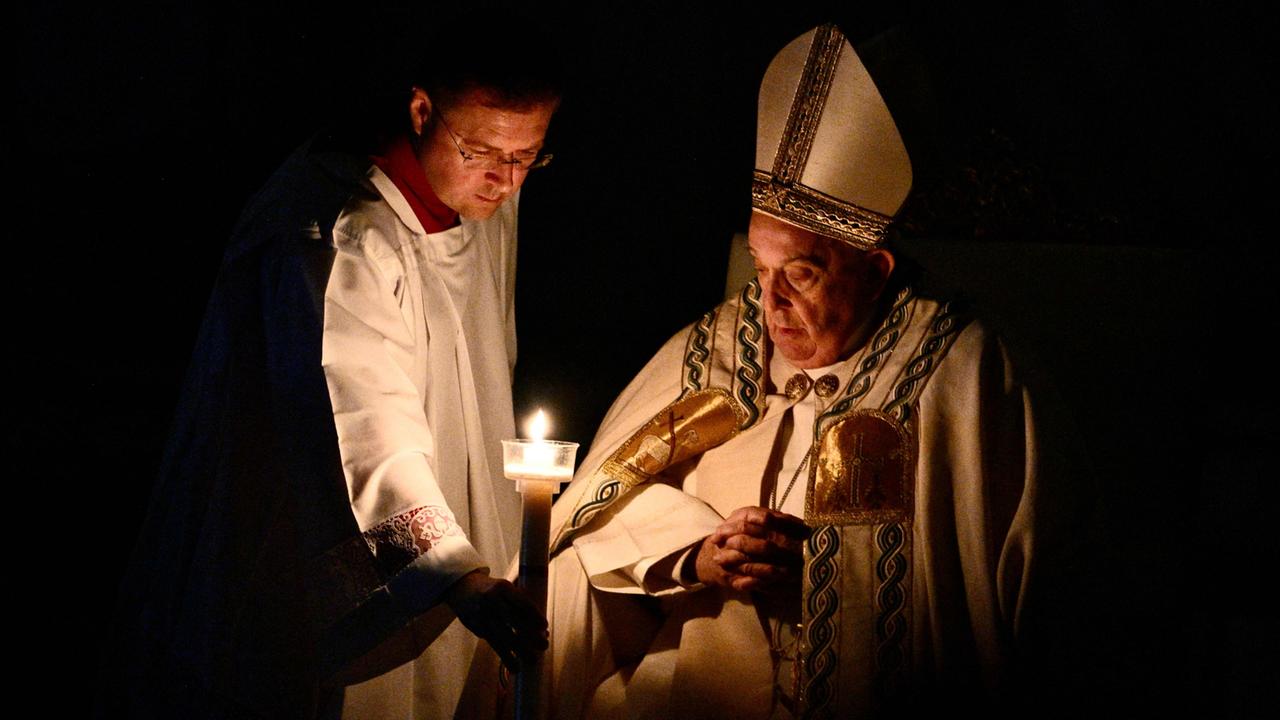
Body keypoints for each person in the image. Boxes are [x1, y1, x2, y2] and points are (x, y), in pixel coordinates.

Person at [461, 23, 1077, 719]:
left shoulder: (961, 376)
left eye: (803, 274)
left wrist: (823, 576)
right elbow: (592, 525)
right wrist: (695, 552)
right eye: (760, 265)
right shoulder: (719, 349)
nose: (770, 301)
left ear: (875, 272)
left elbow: (1006, 608)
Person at [101, 23, 562, 720]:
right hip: (320, 555)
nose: (504, 180)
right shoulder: (340, 237)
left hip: (454, 535)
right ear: (419, 110)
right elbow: (362, 429)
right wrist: (454, 576)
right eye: (482, 152)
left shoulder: (487, 195)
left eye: (527, 157)